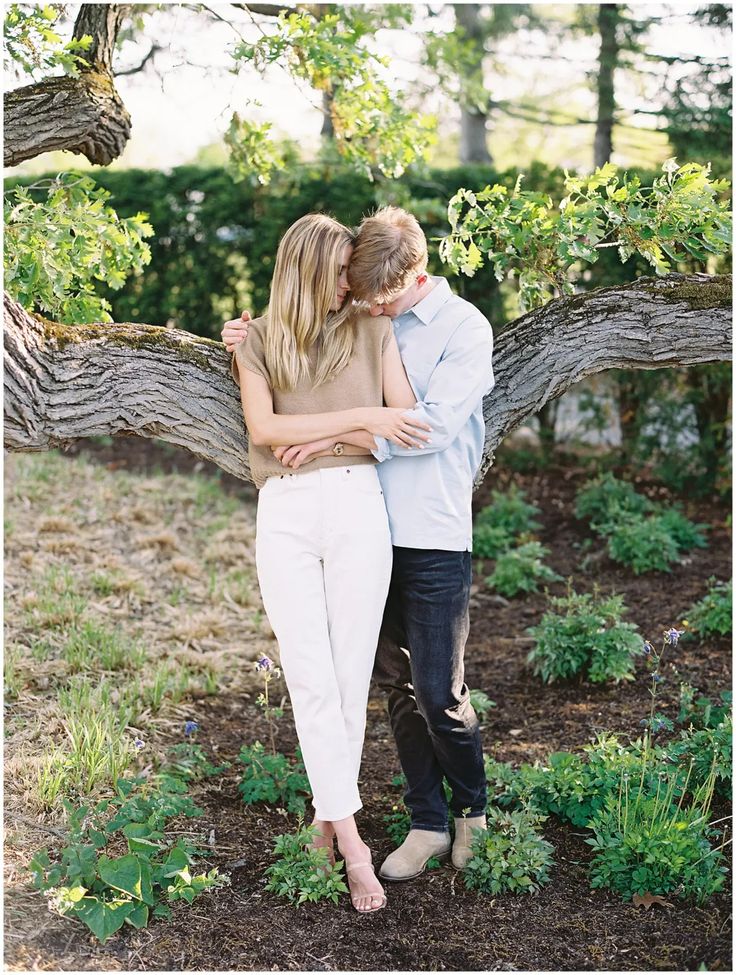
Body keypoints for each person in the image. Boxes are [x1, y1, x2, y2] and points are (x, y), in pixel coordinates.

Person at [223, 206, 494, 883]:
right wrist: (244, 336)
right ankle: (424, 819)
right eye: (351, 283)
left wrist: (327, 439)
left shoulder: (458, 327)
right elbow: (284, 404)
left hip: (425, 530)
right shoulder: (350, 318)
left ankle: (473, 807)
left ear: (411, 276)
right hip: (365, 526)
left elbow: (420, 426)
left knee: (439, 691)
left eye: (376, 293)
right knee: (387, 688)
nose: (364, 299)